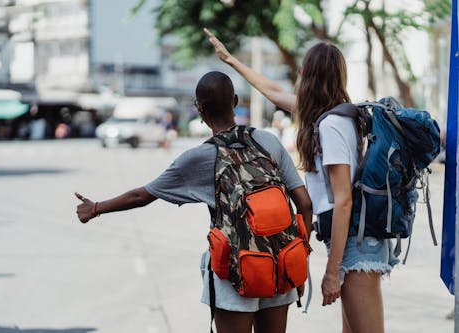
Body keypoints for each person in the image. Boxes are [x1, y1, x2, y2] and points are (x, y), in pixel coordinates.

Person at [75, 71, 313, 333]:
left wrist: (96, 208)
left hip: (236, 272)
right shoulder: (267, 141)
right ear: (235, 101)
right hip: (281, 264)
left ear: (199, 109)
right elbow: (304, 203)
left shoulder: (200, 157)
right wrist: (298, 262)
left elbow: (142, 195)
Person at [205, 28, 399, 333]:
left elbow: (343, 200)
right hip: (350, 239)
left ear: (308, 76)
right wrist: (230, 60)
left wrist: (332, 272)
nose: (296, 75)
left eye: (302, 69)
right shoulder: (327, 116)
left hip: (356, 243)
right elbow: (272, 90)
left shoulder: (333, 126)